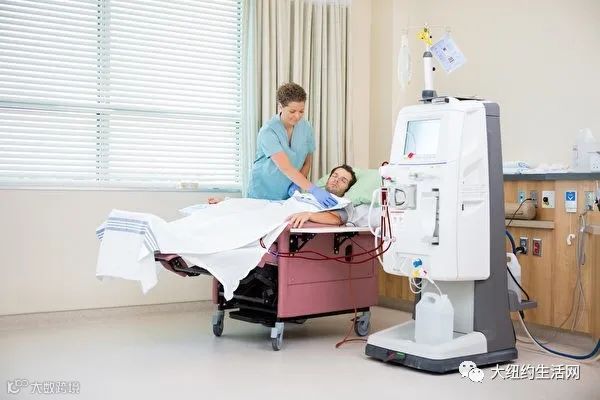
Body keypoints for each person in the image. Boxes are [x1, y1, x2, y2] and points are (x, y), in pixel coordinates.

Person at [247, 83, 337, 208]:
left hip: (288, 195)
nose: (297, 116)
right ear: (280, 107)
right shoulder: (268, 131)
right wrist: (313, 189)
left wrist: (297, 184)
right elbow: (286, 167)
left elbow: (307, 162)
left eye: (301, 111)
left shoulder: (306, 128)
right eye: (292, 111)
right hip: (262, 193)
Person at [288, 164, 357, 228]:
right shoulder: (312, 194)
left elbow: (337, 219)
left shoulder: (341, 204)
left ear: (347, 188)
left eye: (343, 180)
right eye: (334, 176)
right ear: (328, 179)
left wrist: (309, 215)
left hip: (290, 221)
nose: (336, 180)